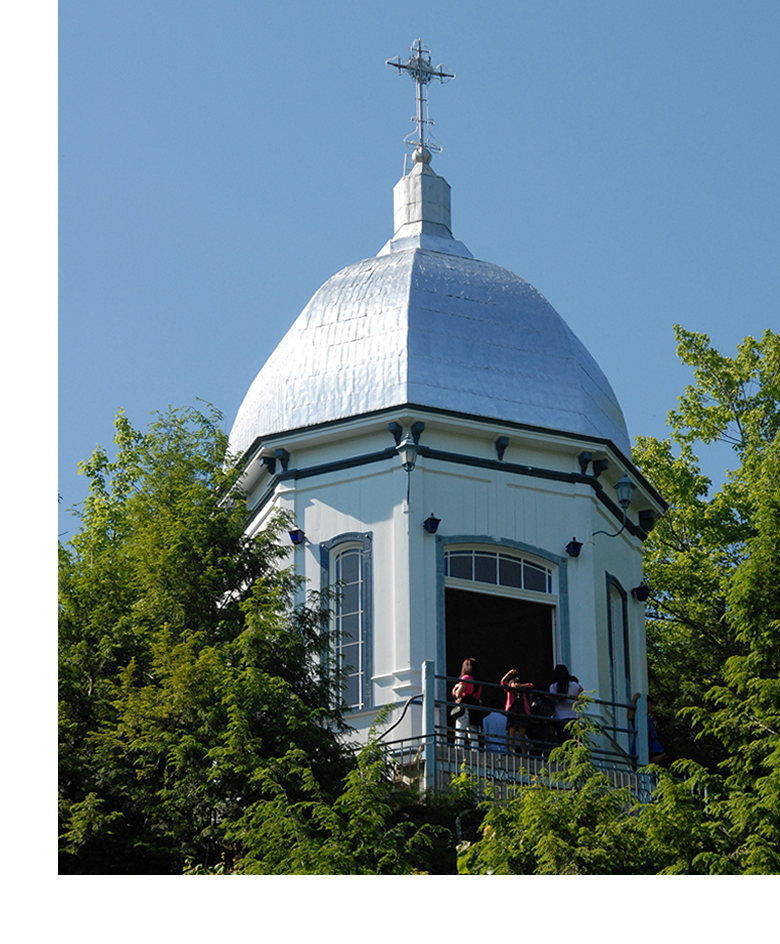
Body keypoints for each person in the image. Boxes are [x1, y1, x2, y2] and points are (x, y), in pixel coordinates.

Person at [451, 658, 482, 749]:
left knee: (460, 733)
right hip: (474, 709)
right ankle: (475, 755)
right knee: (473, 736)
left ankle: (458, 754)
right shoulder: (478, 682)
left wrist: (455, 688)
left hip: (464, 708)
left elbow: (458, 694)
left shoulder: (466, 678)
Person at [501, 668, 534, 754]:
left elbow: (531, 685)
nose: (516, 684)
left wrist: (521, 687)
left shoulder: (522, 692)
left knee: (521, 736)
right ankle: (512, 753)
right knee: (511, 735)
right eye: (514, 682)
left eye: (517, 682)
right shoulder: (510, 691)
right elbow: (502, 682)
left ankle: (523, 754)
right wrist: (508, 673)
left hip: (521, 714)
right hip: (512, 713)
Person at [628, 692, 666, 764]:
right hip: (646, 740)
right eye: (652, 705)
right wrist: (634, 700)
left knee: (661, 753)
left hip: (651, 740)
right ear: (648, 703)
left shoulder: (647, 717)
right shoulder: (638, 715)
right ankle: (649, 763)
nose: (653, 707)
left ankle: (649, 763)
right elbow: (630, 716)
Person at [549, 664, 583, 743]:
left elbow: (552, 702)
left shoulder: (553, 687)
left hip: (560, 717)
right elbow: (581, 700)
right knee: (575, 741)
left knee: (563, 741)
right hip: (573, 716)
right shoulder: (575, 685)